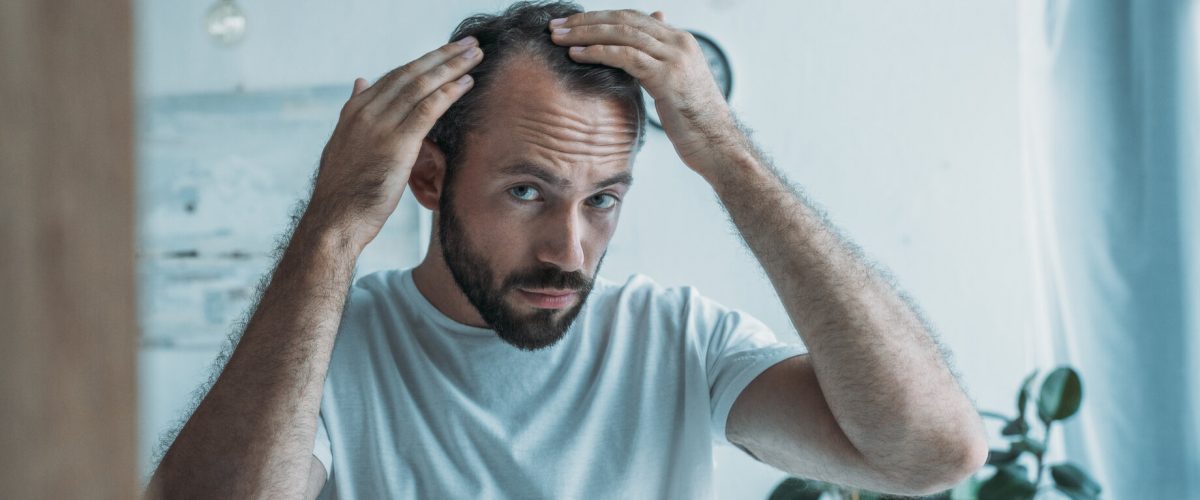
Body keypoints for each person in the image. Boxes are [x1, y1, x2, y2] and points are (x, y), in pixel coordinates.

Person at [146, 1, 989, 498]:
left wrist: (728, 156)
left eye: (603, 200)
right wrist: (331, 228)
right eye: (527, 192)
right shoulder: (328, 349)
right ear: (429, 178)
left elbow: (931, 453)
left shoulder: (679, 339)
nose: (570, 250)